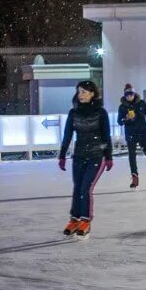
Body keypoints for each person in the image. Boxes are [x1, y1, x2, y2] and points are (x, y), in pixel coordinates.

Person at [58, 80, 113, 237]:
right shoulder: (73, 112)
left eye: (84, 92)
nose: (80, 95)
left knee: (85, 188)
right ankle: (74, 219)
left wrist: (108, 157)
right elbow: (67, 135)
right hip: (79, 156)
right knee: (77, 188)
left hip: (97, 156)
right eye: (79, 92)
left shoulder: (100, 113)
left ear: (92, 94)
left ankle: (85, 221)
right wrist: (62, 155)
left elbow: (106, 136)